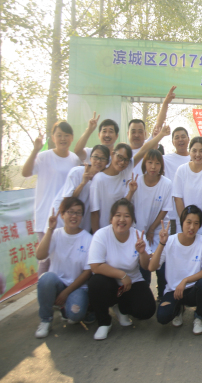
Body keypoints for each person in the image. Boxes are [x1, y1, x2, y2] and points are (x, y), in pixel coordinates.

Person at [87, 199, 156, 340]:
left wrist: (142, 252)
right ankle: (104, 323)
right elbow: (95, 266)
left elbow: (146, 266)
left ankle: (121, 308)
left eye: (127, 216)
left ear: (132, 220)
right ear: (111, 218)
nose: (122, 220)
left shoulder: (138, 236)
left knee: (147, 310)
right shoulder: (101, 235)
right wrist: (122, 275)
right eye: (118, 215)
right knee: (95, 282)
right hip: (109, 282)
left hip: (132, 282)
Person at [22, 121, 82, 276]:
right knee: (46, 259)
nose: (63, 139)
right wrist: (35, 150)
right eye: (59, 135)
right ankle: (43, 290)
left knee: (62, 257)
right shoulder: (44, 156)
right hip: (45, 216)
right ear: (53, 138)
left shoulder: (75, 160)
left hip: (66, 217)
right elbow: (25, 173)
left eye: (66, 135)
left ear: (72, 138)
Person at [90, 126, 170, 233]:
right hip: (105, 231)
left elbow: (144, 150)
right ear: (113, 154)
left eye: (126, 160)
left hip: (123, 230)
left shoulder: (125, 170)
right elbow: (94, 212)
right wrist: (96, 236)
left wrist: (161, 134)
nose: (122, 162)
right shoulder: (99, 179)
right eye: (119, 157)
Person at [34, 197, 93, 338]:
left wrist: (66, 292)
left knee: (75, 315)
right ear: (62, 214)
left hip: (77, 287)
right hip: (57, 283)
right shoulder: (55, 234)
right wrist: (50, 229)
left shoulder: (88, 239)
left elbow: (87, 272)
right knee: (46, 279)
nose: (74, 216)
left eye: (78, 213)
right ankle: (46, 319)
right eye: (70, 212)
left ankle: (66, 309)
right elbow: (40, 255)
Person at [151, 205, 202, 335]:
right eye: (188, 222)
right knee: (162, 317)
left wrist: (185, 280)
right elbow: (152, 267)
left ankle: (199, 316)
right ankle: (178, 309)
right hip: (174, 290)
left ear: (200, 226)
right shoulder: (170, 241)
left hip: (192, 290)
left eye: (196, 223)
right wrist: (161, 243)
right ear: (182, 222)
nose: (192, 227)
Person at [126, 149, 172, 296]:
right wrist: (131, 191)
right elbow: (125, 206)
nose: (153, 166)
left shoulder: (166, 183)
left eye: (157, 163)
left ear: (161, 166)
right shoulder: (137, 181)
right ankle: (143, 295)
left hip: (158, 230)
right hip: (139, 231)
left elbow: (165, 209)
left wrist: (152, 229)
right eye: (150, 162)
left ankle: (163, 294)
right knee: (143, 265)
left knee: (161, 265)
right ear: (144, 164)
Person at [52, 144, 110, 232]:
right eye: (96, 157)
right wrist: (83, 183)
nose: (98, 161)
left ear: (107, 162)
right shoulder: (76, 172)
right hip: (62, 220)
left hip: (82, 223)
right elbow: (67, 200)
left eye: (103, 158)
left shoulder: (103, 180)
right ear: (90, 158)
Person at [172, 137, 202, 237]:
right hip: (185, 225)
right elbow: (178, 198)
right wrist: (185, 222)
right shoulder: (182, 170)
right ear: (189, 151)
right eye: (194, 151)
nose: (198, 154)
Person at [163, 127, 191, 234]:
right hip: (172, 214)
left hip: (193, 212)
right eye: (177, 137)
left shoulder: (196, 158)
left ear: (188, 139)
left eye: (183, 137)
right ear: (173, 142)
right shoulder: (165, 159)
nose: (180, 140)